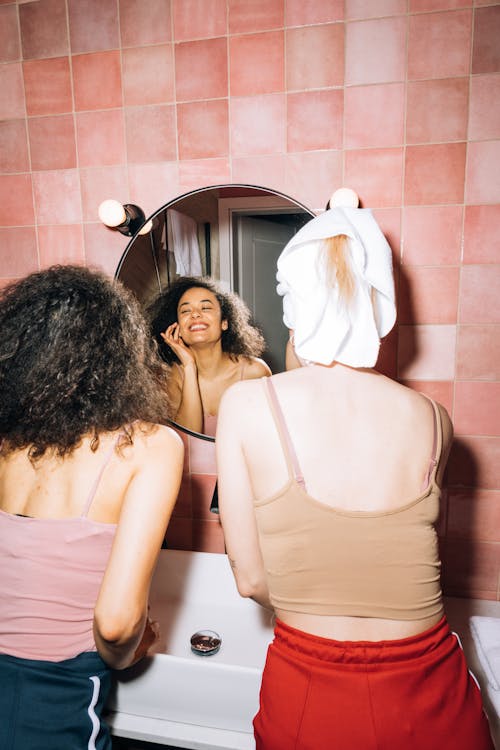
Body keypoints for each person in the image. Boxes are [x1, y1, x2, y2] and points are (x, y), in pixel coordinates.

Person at [215, 193, 495, 750]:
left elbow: (250, 580)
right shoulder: (434, 418)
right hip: (436, 689)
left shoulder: (248, 404)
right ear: (380, 307)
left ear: (294, 306)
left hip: (313, 691)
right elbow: (414, 558)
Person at [0, 265, 184, 750]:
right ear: (120, 352)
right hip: (54, 694)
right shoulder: (148, 446)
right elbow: (118, 623)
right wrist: (128, 651)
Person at [148, 276, 271, 436]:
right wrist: (189, 366)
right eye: (185, 311)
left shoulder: (254, 372)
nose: (195, 315)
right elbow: (188, 439)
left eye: (205, 308)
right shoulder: (172, 378)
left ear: (224, 323)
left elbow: (266, 439)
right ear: (177, 326)